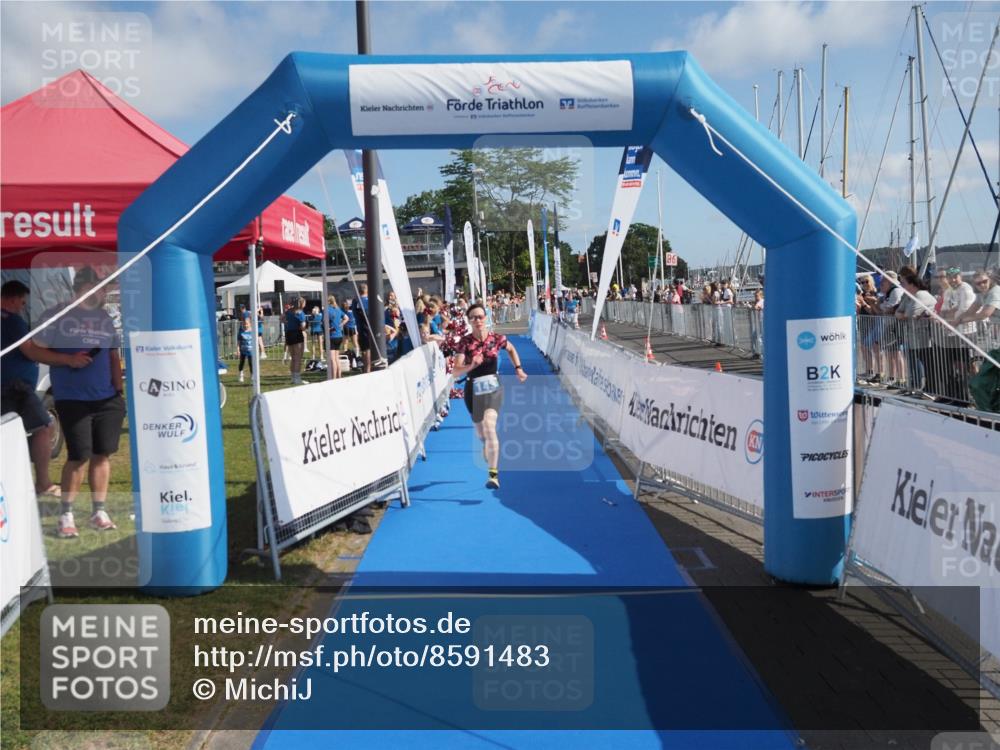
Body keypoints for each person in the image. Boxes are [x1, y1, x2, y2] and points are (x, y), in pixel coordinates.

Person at [34, 267, 126, 538]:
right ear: (80, 289)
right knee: (78, 456)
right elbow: (35, 349)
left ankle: (99, 510)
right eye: (97, 287)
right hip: (72, 398)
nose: (102, 292)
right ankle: (67, 514)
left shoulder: (104, 318)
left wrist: (118, 390)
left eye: (104, 288)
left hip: (107, 398)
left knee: (102, 454)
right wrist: (68, 360)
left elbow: (111, 355)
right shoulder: (56, 316)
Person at [1, 281, 92, 499]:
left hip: (11, 387)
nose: (23, 307)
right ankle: (42, 483)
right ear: (12, 299)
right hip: (15, 388)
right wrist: (67, 359)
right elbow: (32, 352)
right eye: (22, 302)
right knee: (44, 427)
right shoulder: (12, 320)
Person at [452, 302, 528, 490]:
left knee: (489, 425)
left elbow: (511, 349)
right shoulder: (465, 342)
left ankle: (493, 475)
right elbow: (455, 371)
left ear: (486, 317)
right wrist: (471, 365)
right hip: (473, 390)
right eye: (473, 318)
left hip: (493, 387)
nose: (478, 320)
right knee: (482, 433)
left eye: (480, 316)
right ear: (469, 321)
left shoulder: (497, 338)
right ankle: (487, 444)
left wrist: (518, 369)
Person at [284, 297, 307, 385]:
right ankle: (297, 378)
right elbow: (302, 326)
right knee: (298, 358)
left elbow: (282, 318)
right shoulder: (301, 313)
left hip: (289, 334)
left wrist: (287, 323)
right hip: (297, 334)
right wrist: (304, 328)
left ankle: (293, 378)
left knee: (293, 357)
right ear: (301, 304)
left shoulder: (289, 311)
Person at [352, 284, 373, 372]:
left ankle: (365, 368)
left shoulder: (355, 301)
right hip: (367, 328)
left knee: (364, 350)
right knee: (368, 350)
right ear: (367, 290)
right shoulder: (368, 301)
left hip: (360, 327)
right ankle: (368, 369)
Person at [326, 294, 346, 379]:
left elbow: (325, 322)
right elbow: (347, 318)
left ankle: (333, 378)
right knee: (337, 358)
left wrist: (328, 329)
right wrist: (340, 325)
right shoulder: (338, 309)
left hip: (332, 336)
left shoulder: (327, 310)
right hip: (339, 336)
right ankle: (339, 376)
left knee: (332, 359)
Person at [237, 317, 254, 383]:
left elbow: (256, 340)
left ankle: (252, 375)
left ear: (250, 324)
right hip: (243, 350)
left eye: (247, 324)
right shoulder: (241, 331)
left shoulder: (253, 331)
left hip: (251, 350)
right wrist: (238, 349)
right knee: (241, 363)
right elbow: (238, 341)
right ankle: (241, 375)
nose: (245, 325)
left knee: (251, 363)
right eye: (244, 324)